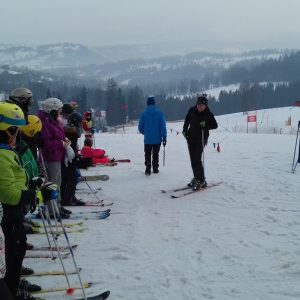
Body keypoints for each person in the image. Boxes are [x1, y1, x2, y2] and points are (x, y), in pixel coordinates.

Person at [0, 101, 54, 300]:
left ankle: (13, 289)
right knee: (10, 257)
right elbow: (8, 194)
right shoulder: (2, 155)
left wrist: (31, 184)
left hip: (12, 216)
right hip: (7, 216)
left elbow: (13, 183)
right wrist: (38, 196)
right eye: (16, 131)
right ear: (8, 130)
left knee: (17, 251)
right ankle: (10, 291)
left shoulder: (6, 152)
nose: (18, 136)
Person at [38, 98, 71, 218]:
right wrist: (61, 144)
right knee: (53, 183)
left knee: (58, 182)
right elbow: (46, 144)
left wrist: (64, 140)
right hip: (50, 158)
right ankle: (52, 210)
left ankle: (58, 205)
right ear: (52, 110)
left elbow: (57, 135)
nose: (60, 113)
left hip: (57, 156)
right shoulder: (45, 123)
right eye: (59, 110)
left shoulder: (53, 121)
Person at [182, 94, 218, 190]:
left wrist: (205, 125)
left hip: (201, 138)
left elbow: (215, 125)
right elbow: (186, 121)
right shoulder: (192, 110)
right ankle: (196, 178)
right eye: (198, 104)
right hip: (191, 137)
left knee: (197, 159)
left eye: (202, 105)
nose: (199, 107)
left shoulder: (208, 114)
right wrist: (184, 130)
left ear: (205, 106)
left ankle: (202, 180)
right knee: (193, 160)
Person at [61, 112, 85, 206]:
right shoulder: (72, 130)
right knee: (71, 178)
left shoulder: (69, 129)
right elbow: (76, 135)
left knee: (69, 177)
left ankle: (70, 196)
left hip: (71, 154)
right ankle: (68, 198)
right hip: (69, 156)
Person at [138, 96, 167, 175]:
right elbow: (163, 127)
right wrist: (164, 137)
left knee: (147, 153)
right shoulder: (160, 114)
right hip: (157, 139)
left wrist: (145, 132)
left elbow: (140, 127)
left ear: (147, 104)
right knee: (155, 154)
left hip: (147, 139)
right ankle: (155, 168)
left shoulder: (143, 114)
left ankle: (148, 164)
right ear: (154, 103)